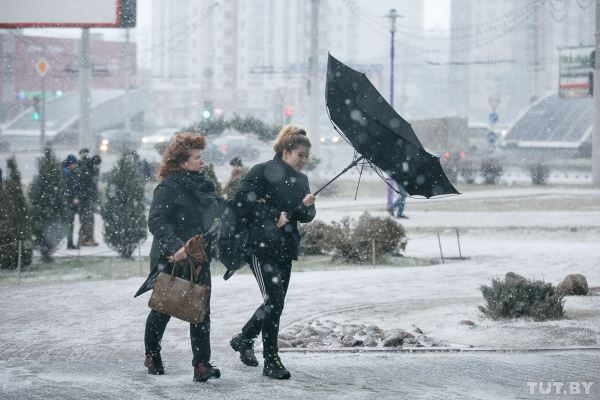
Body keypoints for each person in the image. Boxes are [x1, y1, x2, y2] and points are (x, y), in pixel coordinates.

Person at [229, 124, 316, 380]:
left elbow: (304, 216)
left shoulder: (302, 180)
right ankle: (271, 360)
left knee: (274, 303)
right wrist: (271, 215)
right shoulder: (262, 171)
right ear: (286, 151)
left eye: (307, 157)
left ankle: (245, 338)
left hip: (286, 248)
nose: (304, 161)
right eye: (300, 155)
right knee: (275, 301)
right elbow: (241, 201)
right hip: (260, 247)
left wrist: (307, 206)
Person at [134, 132, 223, 383]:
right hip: (171, 257)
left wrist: (248, 205)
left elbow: (221, 207)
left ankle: (201, 365)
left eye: (201, 156)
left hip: (197, 255)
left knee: (200, 309)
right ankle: (152, 354)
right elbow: (157, 222)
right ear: (183, 162)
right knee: (164, 308)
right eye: (197, 157)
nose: (202, 161)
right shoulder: (168, 187)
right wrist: (176, 248)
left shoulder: (203, 185)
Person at [77, 148, 101, 246]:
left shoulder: (86, 165)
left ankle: (87, 238)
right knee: (86, 218)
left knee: (88, 218)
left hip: (88, 196)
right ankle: (85, 239)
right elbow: (84, 181)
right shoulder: (83, 166)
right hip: (85, 196)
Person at [61, 154, 80, 249]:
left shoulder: (66, 172)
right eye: (74, 164)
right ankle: (70, 243)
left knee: (69, 223)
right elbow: (69, 189)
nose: (76, 166)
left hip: (67, 202)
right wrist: (73, 198)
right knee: (69, 223)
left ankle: (70, 242)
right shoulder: (67, 174)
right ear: (70, 164)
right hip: (68, 202)